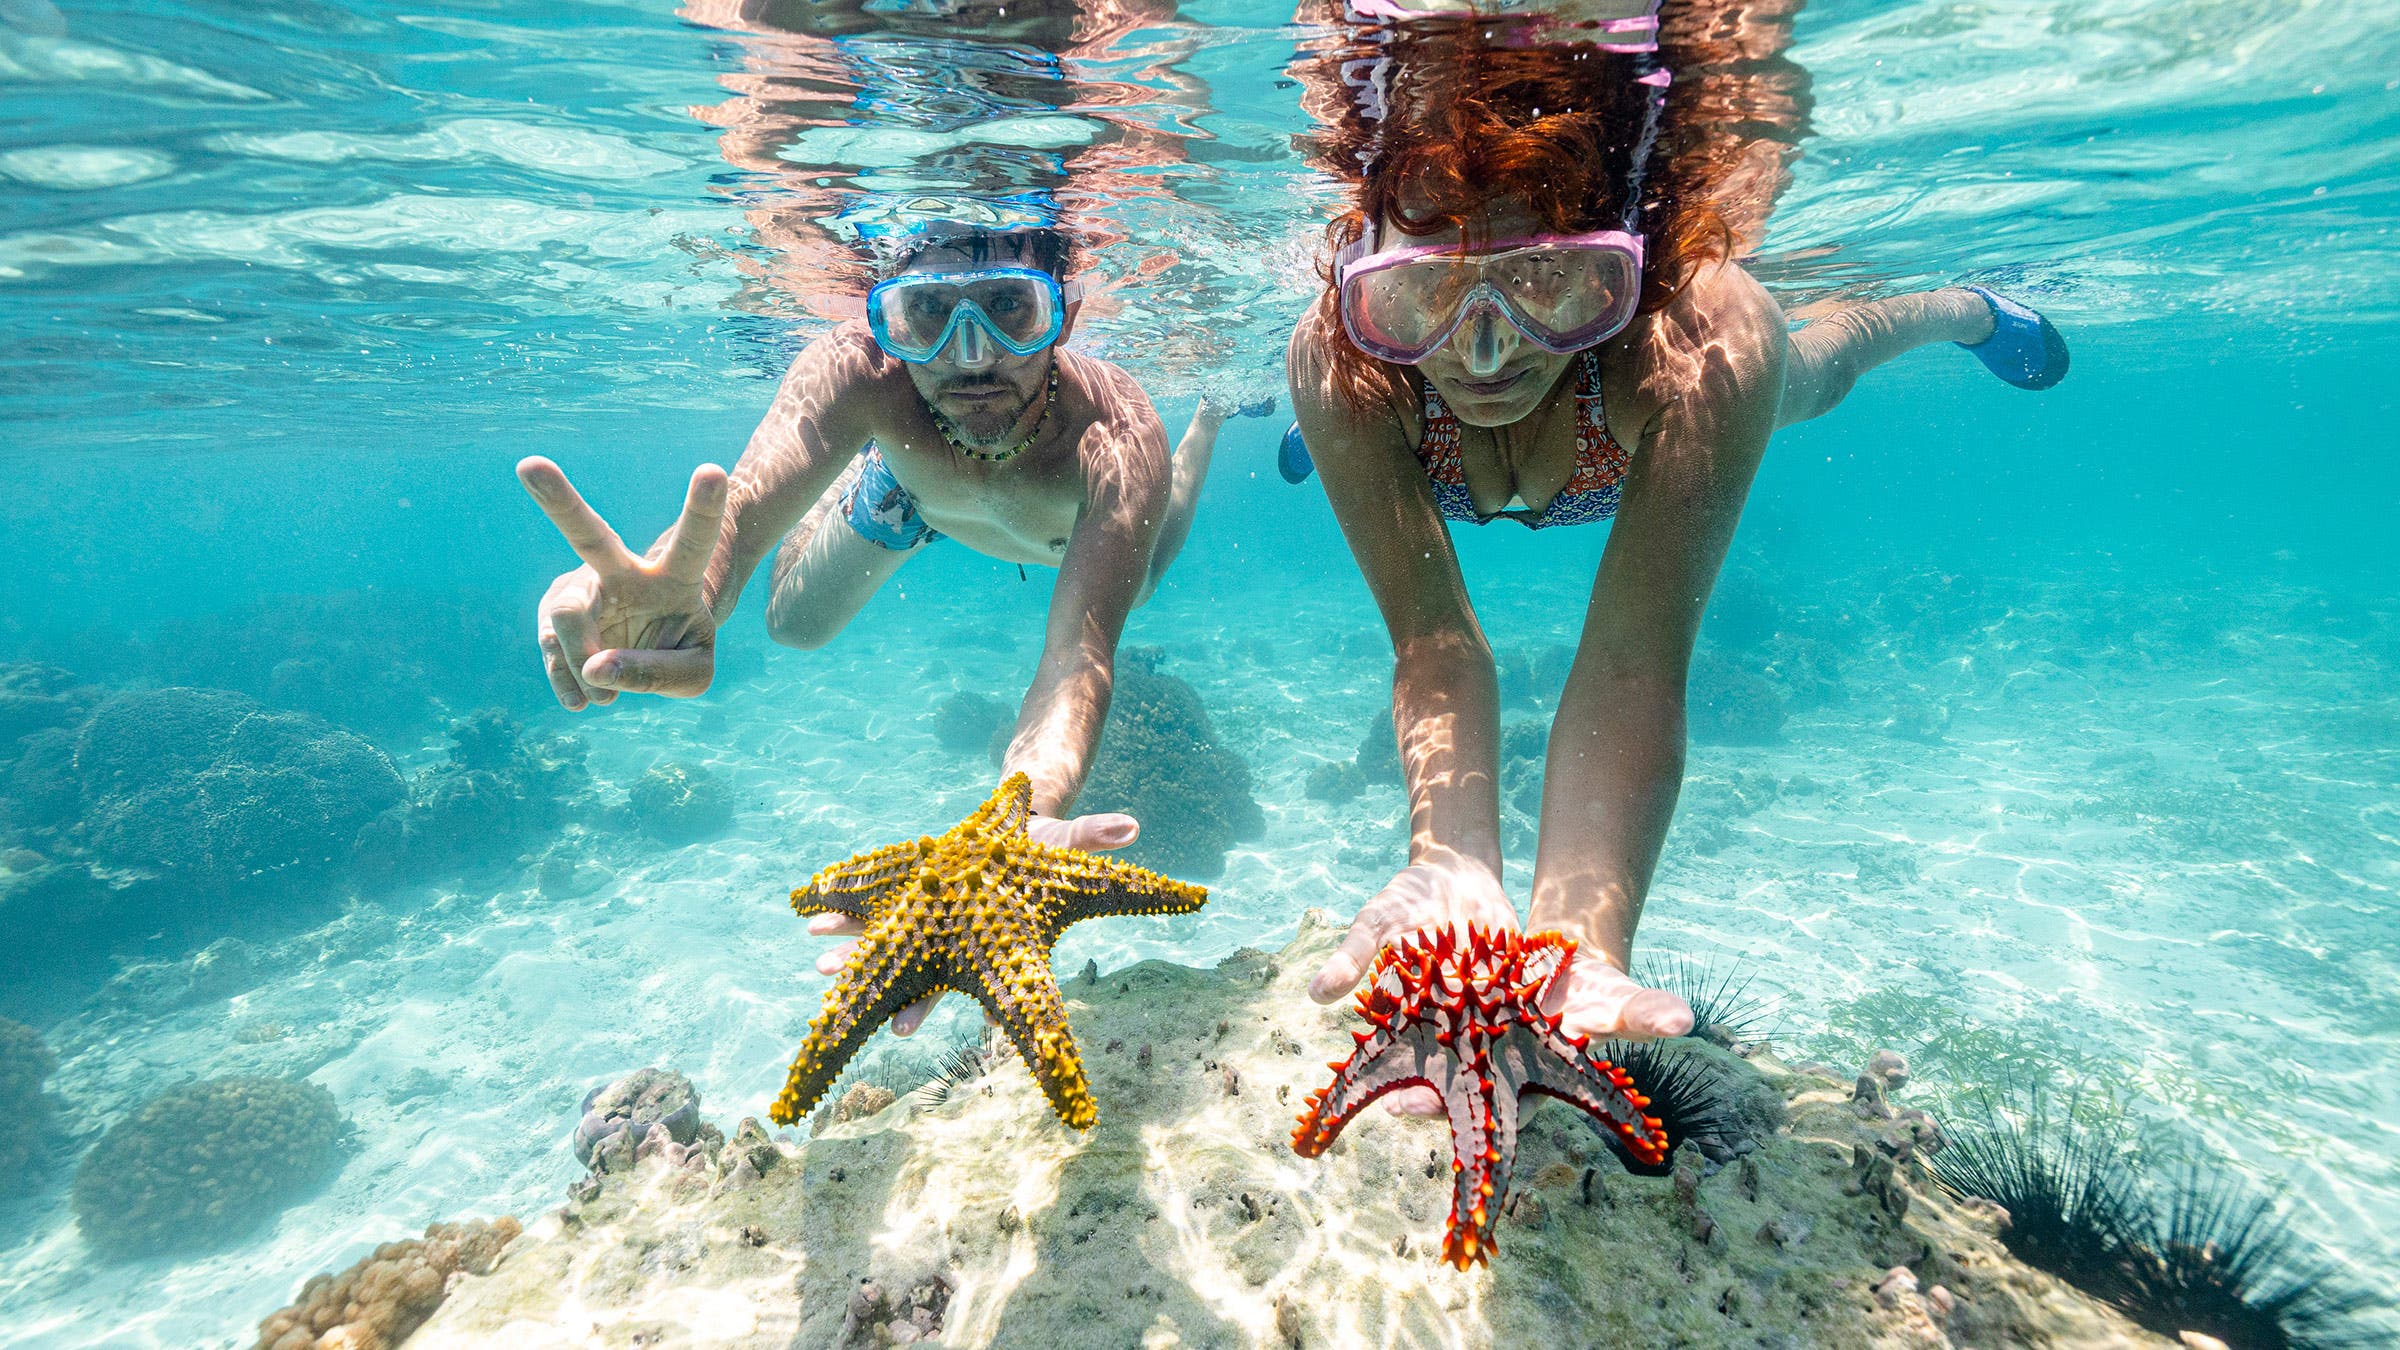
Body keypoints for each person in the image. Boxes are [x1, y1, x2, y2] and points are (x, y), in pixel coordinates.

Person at [1281, 12, 2070, 1085]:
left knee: (1815, 370)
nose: (1484, 350)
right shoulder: (1348, 366)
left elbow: (1634, 663)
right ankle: (1335, 420)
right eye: (1420, 296)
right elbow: (1435, 643)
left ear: (1631, 273)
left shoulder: (1700, 343)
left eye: (1551, 281)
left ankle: (1959, 308)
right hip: (1400, 431)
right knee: (1356, 389)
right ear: (1371, 280)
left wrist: (1577, 940)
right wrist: (1451, 856)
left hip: (1669, 398)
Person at [519, 219, 1269, 1032]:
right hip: (917, 489)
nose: (969, 354)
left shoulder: (1116, 439)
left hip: (1066, 524)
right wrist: (690, 589)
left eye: (1010, 309)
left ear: (1067, 313)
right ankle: (888, 486)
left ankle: (1212, 418)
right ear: (887, 320)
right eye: (928, 315)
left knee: (1144, 583)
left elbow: (1076, 655)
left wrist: (1018, 816)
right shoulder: (862, 370)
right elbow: (733, 512)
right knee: (793, 625)